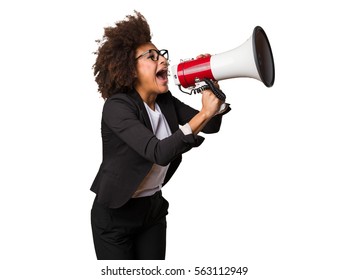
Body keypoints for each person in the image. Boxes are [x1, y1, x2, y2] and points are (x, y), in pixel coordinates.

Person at [90, 11, 231, 260]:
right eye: (151, 57)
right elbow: (158, 151)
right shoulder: (117, 107)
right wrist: (205, 113)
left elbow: (210, 125)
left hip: (152, 210)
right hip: (116, 217)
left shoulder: (165, 101)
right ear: (130, 69)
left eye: (162, 54)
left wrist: (213, 91)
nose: (163, 61)